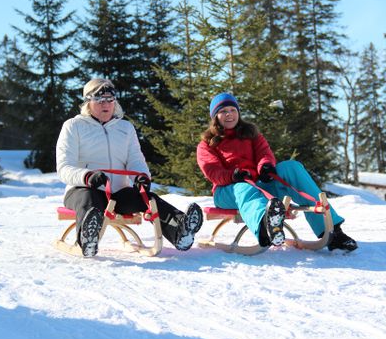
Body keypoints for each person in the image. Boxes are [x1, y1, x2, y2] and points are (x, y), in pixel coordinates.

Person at [56, 78, 203, 257]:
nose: (106, 105)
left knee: (148, 199)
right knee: (90, 199)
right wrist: (87, 176)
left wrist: (141, 176)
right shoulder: (74, 126)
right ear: (88, 102)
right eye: (100, 100)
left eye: (110, 100)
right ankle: (88, 239)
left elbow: (135, 159)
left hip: (117, 192)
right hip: (82, 189)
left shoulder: (125, 128)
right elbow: (64, 167)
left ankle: (180, 229)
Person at [196, 93, 357, 251]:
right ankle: (266, 228)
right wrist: (232, 176)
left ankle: (333, 231)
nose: (229, 114)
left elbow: (264, 154)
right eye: (223, 111)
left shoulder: (251, 134)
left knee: (291, 167)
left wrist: (265, 166)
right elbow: (212, 171)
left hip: (258, 185)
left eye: (233, 110)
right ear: (215, 116)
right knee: (244, 188)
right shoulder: (207, 143)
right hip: (227, 191)